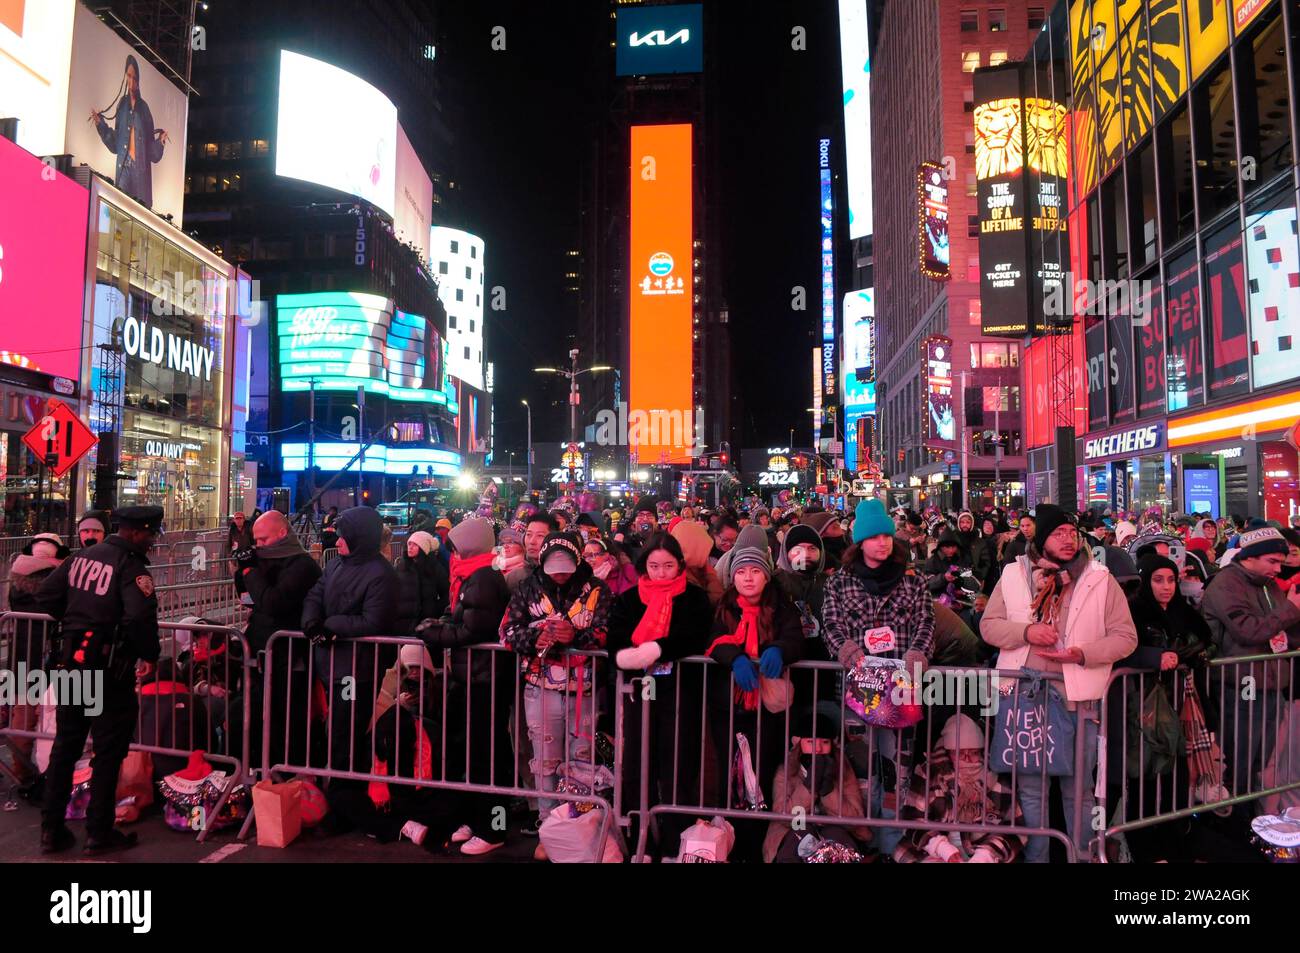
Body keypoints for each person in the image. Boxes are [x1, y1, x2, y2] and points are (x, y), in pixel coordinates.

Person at [980, 503, 1137, 863]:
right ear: (1041, 538)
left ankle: (1079, 856)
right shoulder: (1013, 575)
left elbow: (1125, 637)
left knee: (1078, 788)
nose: (1068, 539)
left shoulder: (1099, 577)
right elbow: (989, 627)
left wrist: (1082, 654)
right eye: (1058, 533)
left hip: (1077, 699)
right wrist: (1026, 632)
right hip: (1024, 697)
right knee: (1032, 790)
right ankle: (1038, 858)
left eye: (1072, 532)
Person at [36, 505, 164, 855]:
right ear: (136, 531)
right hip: (110, 670)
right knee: (108, 752)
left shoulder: (81, 557)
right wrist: (149, 655)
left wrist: (78, 620)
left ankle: (51, 830)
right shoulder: (130, 566)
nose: (151, 541)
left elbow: (46, 595)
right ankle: (98, 831)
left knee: (66, 746)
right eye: (150, 534)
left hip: (72, 662)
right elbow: (139, 617)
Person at [821, 499, 935, 853]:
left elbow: (927, 622)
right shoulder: (840, 583)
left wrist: (918, 653)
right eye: (874, 538)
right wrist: (847, 651)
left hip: (901, 691)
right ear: (859, 543)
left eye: (886, 536)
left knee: (896, 766)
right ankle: (864, 838)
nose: (882, 543)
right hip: (859, 689)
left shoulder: (912, 581)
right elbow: (831, 625)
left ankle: (890, 841)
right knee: (862, 765)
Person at [503, 532, 611, 858]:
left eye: (565, 564)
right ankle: (548, 829)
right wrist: (533, 639)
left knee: (582, 761)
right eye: (553, 565)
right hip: (539, 689)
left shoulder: (597, 591)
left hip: (585, 691)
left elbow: (609, 630)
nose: (559, 572)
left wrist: (577, 636)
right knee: (544, 762)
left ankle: (582, 827)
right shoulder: (528, 589)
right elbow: (508, 629)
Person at [606, 533, 713, 857]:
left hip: (681, 692)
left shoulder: (694, 598)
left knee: (678, 765)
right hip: (638, 692)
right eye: (654, 566)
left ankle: (673, 842)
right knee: (639, 765)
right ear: (645, 566)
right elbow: (615, 640)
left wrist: (656, 649)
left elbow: (694, 637)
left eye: (668, 565)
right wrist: (627, 657)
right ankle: (643, 841)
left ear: (680, 564)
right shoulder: (628, 599)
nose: (661, 572)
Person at [415, 516, 513, 856]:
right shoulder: (471, 576)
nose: (451, 552)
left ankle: (494, 827)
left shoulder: (483, 578)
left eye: (455, 546)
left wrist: (434, 633)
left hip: (485, 678)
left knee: (488, 755)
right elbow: (459, 618)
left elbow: (474, 630)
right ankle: (476, 818)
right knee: (471, 753)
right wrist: (441, 623)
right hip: (472, 676)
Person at [706, 541, 804, 859]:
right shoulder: (724, 607)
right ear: (733, 577)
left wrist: (779, 649)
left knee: (761, 771)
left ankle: (757, 842)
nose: (748, 578)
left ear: (766, 576)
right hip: (729, 707)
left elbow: (794, 637)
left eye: (755, 571)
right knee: (730, 773)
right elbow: (713, 639)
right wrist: (734, 656)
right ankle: (731, 841)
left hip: (768, 710)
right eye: (742, 572)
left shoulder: (782, 607)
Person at [1199, 526, 1300, 795]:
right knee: (1241, 759)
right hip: (1242, 684)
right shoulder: (1226, 584)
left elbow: (1282, 631)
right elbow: (1248, 630)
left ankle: (1254, 818)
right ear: (1251, 557)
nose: (1279, 569)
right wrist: (1291, 610)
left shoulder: (1267, 585)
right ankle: (1237, 819)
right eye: (1273, 561)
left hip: (1271, 682)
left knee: (1265, 760)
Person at [302, 505, 398, 776]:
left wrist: (332, 624)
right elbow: (315, 595)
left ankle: (344, 788)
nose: (338, 541)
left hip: (356, 670)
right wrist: (311, 621)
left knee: (346, 731)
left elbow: (374, 621)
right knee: (334, 727)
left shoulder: (381, 574)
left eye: (345, 536)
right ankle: (336, 783)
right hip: (330, 663)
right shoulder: (335, 565)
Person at [234, 510, 322, 768]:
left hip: (288, 657)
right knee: (256, 714)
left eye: (263, 540)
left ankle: (283, 772)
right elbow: (247, 595)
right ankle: (258, 769)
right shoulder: (268, 561)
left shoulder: (301, 565)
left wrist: (250, 570)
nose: (259, 546)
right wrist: (244, 570)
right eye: (256, 541)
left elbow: (272, 601)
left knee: (285, 719)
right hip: (261, 654)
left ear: (282, 534)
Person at [893, 714, 1026, 863]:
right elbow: (912, 820)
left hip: (984, 852)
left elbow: (1015, 828)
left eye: (974, 752)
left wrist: (986, 855)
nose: (967, 759)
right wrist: (940, 847)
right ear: (948, 752)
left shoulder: (997, 775)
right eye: (960, 753)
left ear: (982, 751)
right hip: (934, 850)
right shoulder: (929, 772)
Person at [4, 533, 70, 791]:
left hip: (20, 656)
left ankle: (21, 771)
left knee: (22, 716)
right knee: (59, 717)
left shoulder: (15, 580)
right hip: (51, 655)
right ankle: (55, 773)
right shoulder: (57, 580)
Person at [761, 711, 871, 863]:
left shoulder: (842, 769)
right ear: (799, 743)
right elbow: (784, 817)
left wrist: (828, 791)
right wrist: (809, 787)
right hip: (795, 829)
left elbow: (855, 819)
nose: (818, 748)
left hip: (835, 829)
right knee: (802, 834)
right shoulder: (787, 770)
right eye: (811, 742)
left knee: (835, 836)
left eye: (824, 742)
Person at [90, 54, 168, 209]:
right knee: (120, 208)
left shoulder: (144, 109)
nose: (131, 81)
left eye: (134, 77)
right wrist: (101, 124)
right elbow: (115, 143)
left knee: (137, 215)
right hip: (124, 167)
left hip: (140, 171)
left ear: (138, 80)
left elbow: (151, 152)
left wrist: (160, 142)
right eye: (128, 76)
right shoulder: (122, 105)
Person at [395, 530, 449, 636]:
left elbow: (446, 594)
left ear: (424, 548)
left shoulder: (435, 568)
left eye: (415, 545)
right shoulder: (401, 567)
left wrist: (434, 611)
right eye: (409, 544)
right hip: (402, 625)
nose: (410, 547)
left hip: (426, 626)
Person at [670, 518, 724, 607]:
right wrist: (710, 574)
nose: (707, 555)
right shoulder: (684, 585)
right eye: (703, 550)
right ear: (692, 549)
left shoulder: (696, 570)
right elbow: (715, 601)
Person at [507, 511, 558, 592]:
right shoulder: (514, 578)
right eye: (529, 534)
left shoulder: (561, 576)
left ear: (554, 539)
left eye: (540, 535)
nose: (532, 541)